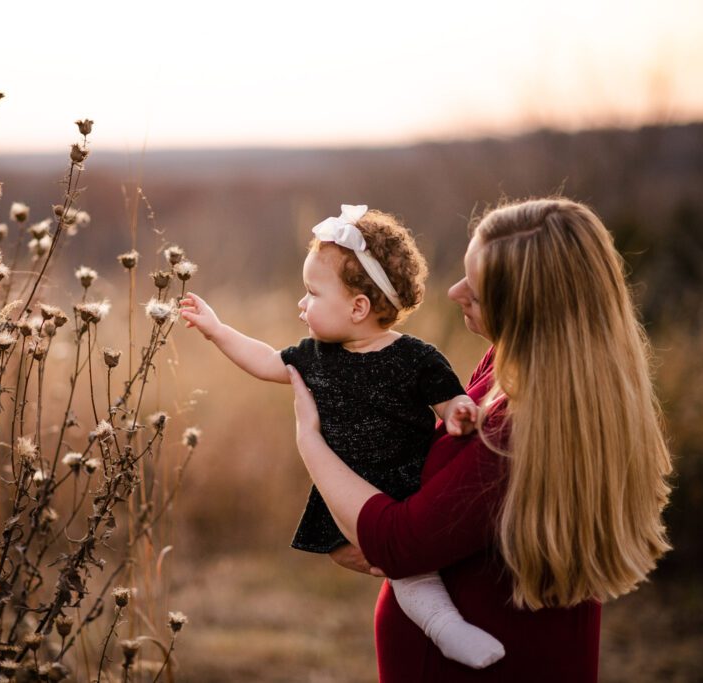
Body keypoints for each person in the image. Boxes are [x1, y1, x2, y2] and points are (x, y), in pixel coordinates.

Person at [287, 197, 673, 681]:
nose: (454, 291)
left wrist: (311, 440)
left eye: (479, 289)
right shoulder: (520, 373)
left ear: (529, 311)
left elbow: (398, 544)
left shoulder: (518, 431)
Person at [180, 204, 506, 669]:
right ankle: (414, 592)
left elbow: (449, 399)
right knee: (344, 550)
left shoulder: (416, 357)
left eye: (312, 292)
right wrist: (217, 330)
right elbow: (265, 360)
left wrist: (459, 412)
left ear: (358, 307)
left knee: (414, 574)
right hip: (345, 495)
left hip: (402, 485)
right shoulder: (315, 357)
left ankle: (445, 627)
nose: (301, 303)